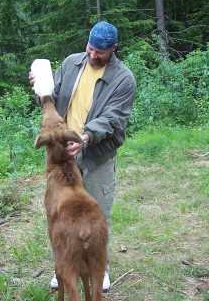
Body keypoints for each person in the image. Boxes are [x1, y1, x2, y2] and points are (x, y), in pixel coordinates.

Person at [29, 21, 136, 291]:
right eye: (90, 48)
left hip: (97, 155)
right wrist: (40, 90)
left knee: (97, 214)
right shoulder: (71, 63)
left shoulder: (123, 79)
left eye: (100, 52)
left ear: (113, 49)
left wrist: (85, 138)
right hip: (64, 156)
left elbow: (114, 120)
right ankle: (64, 266)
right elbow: (51, 99)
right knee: (60, 215)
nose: (92, 56)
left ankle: (100, 268)